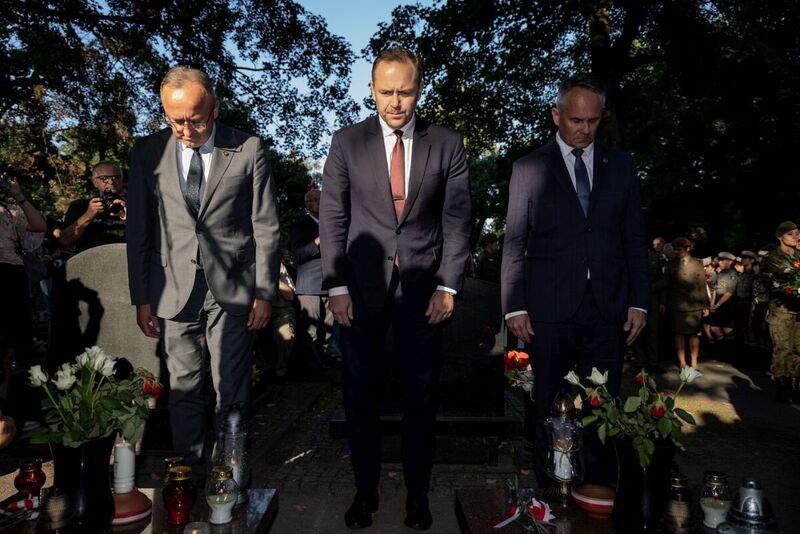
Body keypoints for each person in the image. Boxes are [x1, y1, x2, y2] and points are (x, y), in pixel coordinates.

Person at [319, 47, 471, 531]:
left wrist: (448, 286)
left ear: (419, 89)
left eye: (405, 91)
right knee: (360, 397)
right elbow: (333, 216)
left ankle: (417, 495)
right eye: (386, 91)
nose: (396, 102)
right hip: (361, 293)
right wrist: (336, 286)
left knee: (420, 399)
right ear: (371, 89)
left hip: (424, 293)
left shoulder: (446, 144)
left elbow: (457, 221)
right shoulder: (347, 143)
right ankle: (365, 492)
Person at [126, 66, 280, 482]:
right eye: (175, 119)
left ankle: (230, 473)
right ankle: (188, 475)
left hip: (234, 290)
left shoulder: (247, 148)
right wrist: (142, 297)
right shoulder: (147, 152)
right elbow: (139, 230)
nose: (186, 129)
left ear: (214, 107)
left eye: (195, 119)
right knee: (183, 388)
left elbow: (265, 226)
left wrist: (264, 292)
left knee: (232, 388)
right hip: (172, 289)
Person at [501, 73, 649, 487]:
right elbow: (514, 242)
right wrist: (514, 306)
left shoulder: (621, 166)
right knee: (546, 402)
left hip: (608, 307)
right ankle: (548, 488)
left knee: (603, 405)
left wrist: (639, 301)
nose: (585, 129)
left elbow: (634, 238)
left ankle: (596, 489)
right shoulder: (529, 168)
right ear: (556, 115)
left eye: (593, 121)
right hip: (548, 309)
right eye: (576, 120)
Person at [0, 174, 46, 424]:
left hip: (11, 277)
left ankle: (8, 412)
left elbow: (39, 227)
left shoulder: (9, 210)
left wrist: (19, 195)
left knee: (13, 347)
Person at [290, 187, 335, 371]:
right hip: (309, 287)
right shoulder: (299, 225)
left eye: (320, 199)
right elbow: (297, 255)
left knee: (330, 330)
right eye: (313, 200)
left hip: (332, 284)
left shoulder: (333, 222)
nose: (318, 203)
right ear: (306, 204)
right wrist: (317, 241)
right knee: (312, 331)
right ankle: (313, 370)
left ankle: (329, 367)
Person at [760, 221, 800, 403]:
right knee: (783, 348)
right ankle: (782, 385)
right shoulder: (770, 258)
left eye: (797, 233)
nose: (796, 237)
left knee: (798, 348)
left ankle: (795, 384)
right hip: (781, 310)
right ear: (780, 237)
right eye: (790, 234)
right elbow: (766, 283)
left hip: (798, 310)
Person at [58, 160, 127, 254]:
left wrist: (129, 217)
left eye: (116, 177)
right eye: (104, 178)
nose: (111, 182)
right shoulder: (80, 206)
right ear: (94, 182)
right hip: (90, 260)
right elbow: (64, 241)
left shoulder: (132, 206)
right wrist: (88, 215)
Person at [666, 237, 709, 369]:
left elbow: (701, 284)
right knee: (678, 333)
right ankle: (682, 363)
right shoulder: (671, 264)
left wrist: (705, 305)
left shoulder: (697, 263)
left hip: (694, 305)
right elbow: (666, 284)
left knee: (693, 334)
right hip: (676, 304)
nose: (676, 252)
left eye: (679, 249)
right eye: (674, 249)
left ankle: (694, 361)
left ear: (688, 249)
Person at [633, 238, 668, 372]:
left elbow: (663, 281)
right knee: (638, 332)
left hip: (653, 301)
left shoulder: (656, 258)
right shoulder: (632, 258)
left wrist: (662, 301)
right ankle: (639, 362)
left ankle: (653, 362)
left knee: (652, 333)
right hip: (636, 301)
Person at [708, 251, 738, 340]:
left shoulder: (732, 274)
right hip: (718, 301)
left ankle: (728, 345)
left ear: (730, 262)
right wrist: (712, 303)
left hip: (728, 303)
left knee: (727, 329)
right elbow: (715, 289)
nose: (719, 262)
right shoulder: (721, 273)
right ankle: (722, 343)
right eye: (719, 260)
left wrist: (717, 304)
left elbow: (729, 292)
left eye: (722, 260)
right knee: (714, 327)